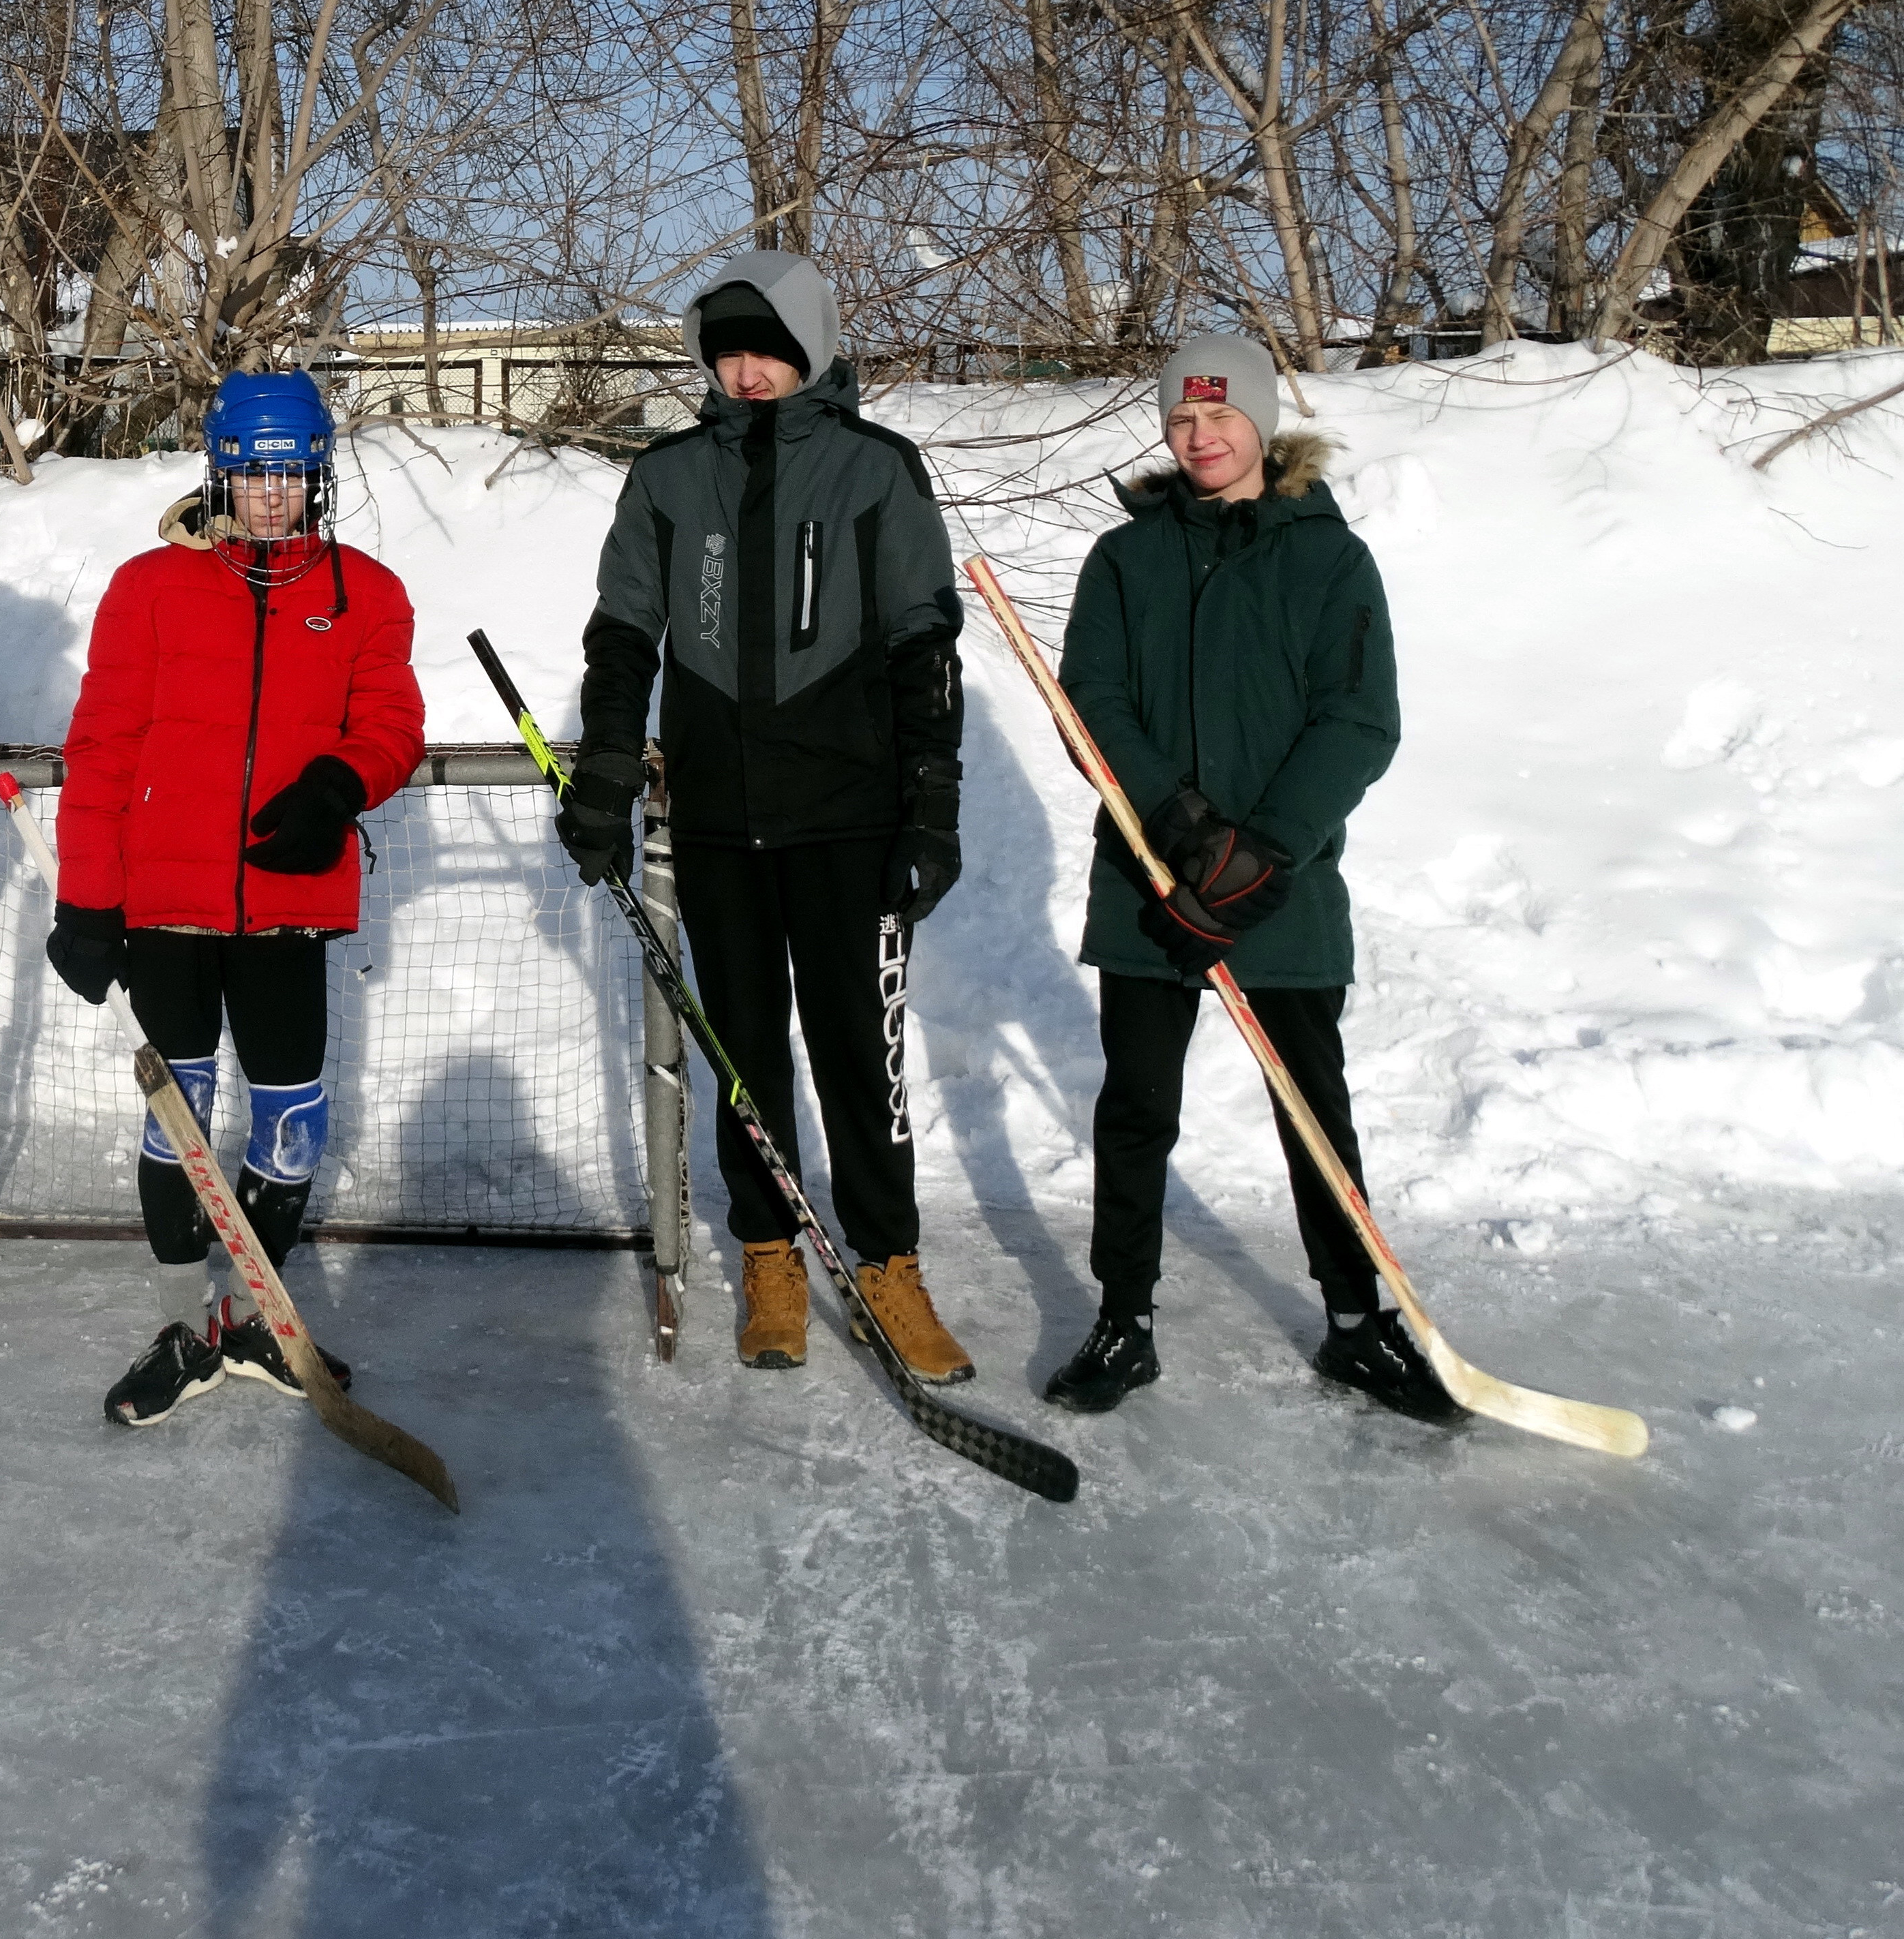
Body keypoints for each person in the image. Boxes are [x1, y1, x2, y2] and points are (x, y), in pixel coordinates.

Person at [560, 251, 971, 1378]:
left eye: (771, 352)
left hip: (848, 817)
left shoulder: (875, 469)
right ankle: (768, 1254)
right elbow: (623, 631)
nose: (748, 372)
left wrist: (931, 800)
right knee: (743, 1058)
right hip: (718, 824)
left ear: (813, 350)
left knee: (857, 1056)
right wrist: (603, 765)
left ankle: (888, 1263)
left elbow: (922, 642)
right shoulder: (666, 475)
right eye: (730, 351)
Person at [1039, 333, 1450, 1422]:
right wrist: (1179, 827)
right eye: (1180, 420)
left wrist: (1261, 850)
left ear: (1262, 423)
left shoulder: (1329, 559)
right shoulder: (1126, 559)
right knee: (1135, 1108)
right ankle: (1122, 1319)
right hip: (1148, 881)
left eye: (1219, 417)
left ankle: (1355, 1327)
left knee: (1314, 1107)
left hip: (1285, 887)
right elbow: (1092, 701)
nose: (1200, 436)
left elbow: (1357, 720)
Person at [46, 370, 427, 1427]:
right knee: (178, 1119)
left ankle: (263, 1316)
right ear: (219, 470)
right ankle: (181, 1325)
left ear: (321, 478)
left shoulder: (366, 592)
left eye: (293, 474)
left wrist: (339, 784)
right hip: (164, 907)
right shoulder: (150, 588)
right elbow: (103, 746)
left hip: (286, 902)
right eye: (253, 473)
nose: (272, 495)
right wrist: (87, 901)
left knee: (290, 1121)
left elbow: (391, 719)